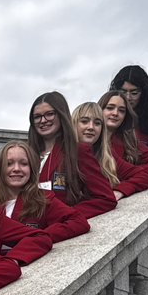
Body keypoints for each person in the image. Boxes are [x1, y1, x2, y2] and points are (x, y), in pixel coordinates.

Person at [28, 91, 117, 219]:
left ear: (61, 115)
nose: (43, 120)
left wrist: (68, 214)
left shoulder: (78, 151)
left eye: (49, 114)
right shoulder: (27, 155)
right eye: (37, 117)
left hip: (58, 229)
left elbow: (105, 198)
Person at [0, 141, 91, 238]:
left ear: (32, 169)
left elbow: (79, 222)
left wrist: (41, 236)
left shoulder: (44, 199)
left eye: (24, 164)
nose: (16, 169)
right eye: (9, 164)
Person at [75, 97, 148, 199]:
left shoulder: (107, 156)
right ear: (73, 124)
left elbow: (145, 176)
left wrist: (121, 190)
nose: (91, 127)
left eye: (97, 123)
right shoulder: (60, 154)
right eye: (84, 121)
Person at [98, 90, 148, 177]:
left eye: (121, 110)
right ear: (99, 110)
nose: (115, 113)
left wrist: (134, 173)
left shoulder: (128, 140)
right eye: (110, 108)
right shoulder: (88, 140)